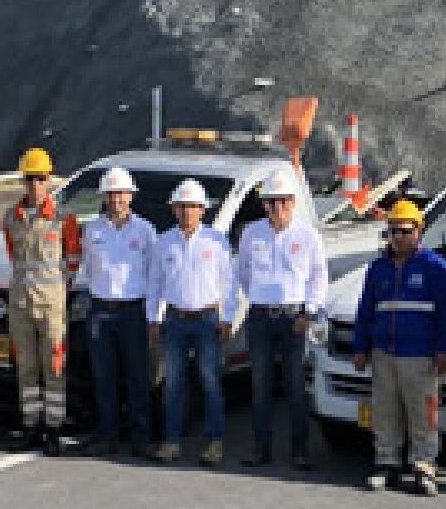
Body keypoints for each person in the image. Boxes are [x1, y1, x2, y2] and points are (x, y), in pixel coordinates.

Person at [351, 199, 446, 495]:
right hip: (385, 353)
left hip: (420, 355)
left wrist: (444, 350)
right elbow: (366, 311)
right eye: (394, 231)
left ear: (419, 232)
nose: (398, 237)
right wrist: (361, 348)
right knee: (385, 412)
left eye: (405, 231)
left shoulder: (435, 268)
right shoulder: (378, 269)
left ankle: (424, 465)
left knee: (422, 413)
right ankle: (387, 462)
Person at [235, 166, 328, 471]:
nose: (277, 207)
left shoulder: (308, 235)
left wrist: (308, 311)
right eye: (271, 202)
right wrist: (261, 300)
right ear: (264, 204)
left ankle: (300, 450)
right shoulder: (251, 233)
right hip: (260, 318)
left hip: (294, 319)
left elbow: (318, 277)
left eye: (283, 201)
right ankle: (261, 447)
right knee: (259, 386)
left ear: (293, 202)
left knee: (294, 387)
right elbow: (243, 275)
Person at [147, 178, 236, 467]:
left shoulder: (216, 241)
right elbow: (155, 284)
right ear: (174, 209)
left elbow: (229, 284)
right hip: (174, 320)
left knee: (210, 382)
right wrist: (153, 319)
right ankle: (172, 442)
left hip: (207, 320)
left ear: (203, 210)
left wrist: (227, 318)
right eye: (182, 207)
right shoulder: (164, 242)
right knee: (173, 384)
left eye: (193, 207)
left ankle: (215, 442)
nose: (187, 212)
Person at [3, 147, 81, 455]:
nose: (35, 185)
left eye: (40, 178)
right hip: (21, 304)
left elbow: (73, 259)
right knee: (26, 366)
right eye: (30, 179)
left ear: (50, 181)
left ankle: (54, 428)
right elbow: (13, 256)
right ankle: (31, 425)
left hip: (51, 306)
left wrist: (57, 291)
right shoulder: (11, 217)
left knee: (54, 366)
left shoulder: (63, 218)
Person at [82, 165, 158, 457]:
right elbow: (87, 270)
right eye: (111, 194)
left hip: (133, 313)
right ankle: (107, 435)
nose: (117, 200)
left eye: (122, 194)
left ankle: (141, 437)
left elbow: (153, 275)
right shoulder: (92, 230)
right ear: (104, 197)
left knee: (138, 377)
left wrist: (153, 316)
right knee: (104, 377)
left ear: (131, 196)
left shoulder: (145, 230)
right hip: (100, 311)